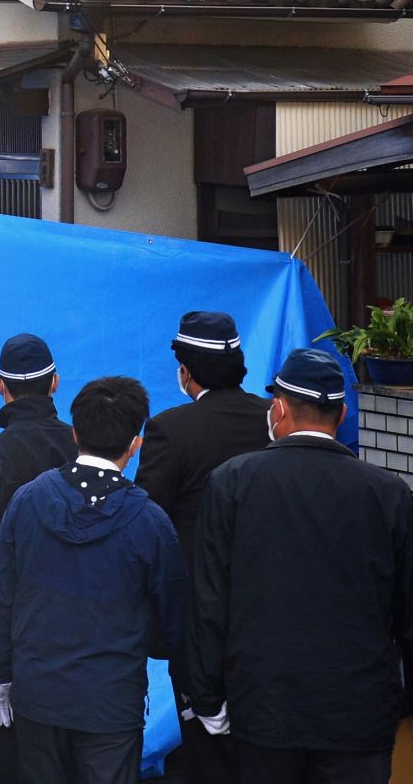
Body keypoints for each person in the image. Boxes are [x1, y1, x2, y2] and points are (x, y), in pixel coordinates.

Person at [187, 348, 413, 784]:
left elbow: (209, 601)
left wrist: (208, 694)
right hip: (358, 712)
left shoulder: (231, 482)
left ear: (280, 408)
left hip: (263, 707)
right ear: (343, 413)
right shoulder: (387, 492)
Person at [0, 376, 189, 784]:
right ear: (135, 442)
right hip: (111, 702)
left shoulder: (28, 500)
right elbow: (174, 620)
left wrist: (4, 673)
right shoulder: (150, 522)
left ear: (75, 432)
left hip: (38, 694)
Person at [135, 312, 269, 783]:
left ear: (186, 373)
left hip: (194, 617)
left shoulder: (171, 429)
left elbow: (148, 518)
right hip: (266, 610)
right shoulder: (272, 419)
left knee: (205, 744)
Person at [0, 333, 76, 784]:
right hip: (79, 639)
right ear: (55, 384)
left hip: (5, 640)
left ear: (0, 387)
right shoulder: (84, 451)